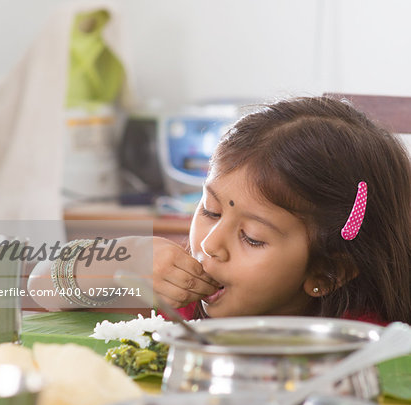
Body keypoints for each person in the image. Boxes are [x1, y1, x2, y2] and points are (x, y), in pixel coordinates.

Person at [28, 96, 411, 325]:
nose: (211, 244)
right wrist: (126, 257)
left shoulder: (363, 346)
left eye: (252, 237)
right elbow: (40, 286)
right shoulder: (186, 297)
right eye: (210, 210)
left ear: (326, 272)